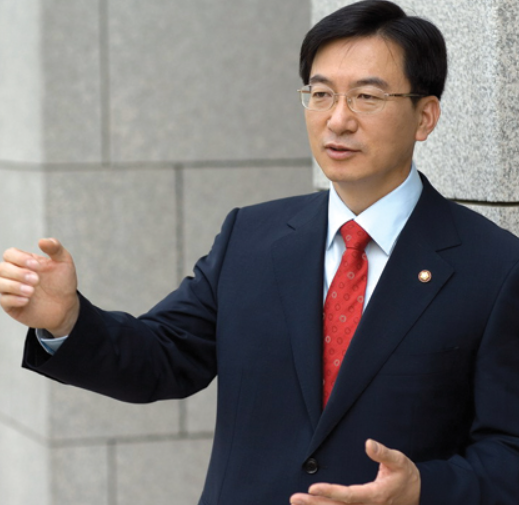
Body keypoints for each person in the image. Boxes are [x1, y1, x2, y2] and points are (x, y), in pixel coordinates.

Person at [1, 1, 519, 503]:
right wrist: (68, 320)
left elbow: (509, 454)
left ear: (425, 117)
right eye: (321, 94)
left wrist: (423, 489)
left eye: (366, 97)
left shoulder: (494, 268)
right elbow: (162, 357)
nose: (338, 120)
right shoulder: (250, 237)